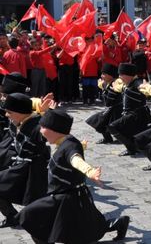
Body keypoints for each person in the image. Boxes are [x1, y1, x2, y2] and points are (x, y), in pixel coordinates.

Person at [18, 109, 130, 243]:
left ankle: (119, 223)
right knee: (84, 228)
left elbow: (76, 160)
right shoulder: (65, 141)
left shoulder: (69, 146)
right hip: (61, 195)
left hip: (70, 198)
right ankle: (119, 223)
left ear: (54, 130)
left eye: (43, 127)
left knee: (31, 216)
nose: (40, 131)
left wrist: (90, 172)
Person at [0, 93, 51, 228]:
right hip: (19, 164)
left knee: (39, 205)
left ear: (21, 112)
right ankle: (12, 216)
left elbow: (53, 132)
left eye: (9, 112)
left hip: (35, 170)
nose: (6, 115)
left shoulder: (38, 127)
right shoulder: (15, 121)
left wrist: (46, 112)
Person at [108, 63, 151, 156]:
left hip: (138, 116)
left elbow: (143, 87)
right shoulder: (126, 84)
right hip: (129, 115)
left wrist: (148, 87)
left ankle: (131, 148)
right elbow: (118, 87)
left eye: (121, 75)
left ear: (129, 75)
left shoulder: (137, 83)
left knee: (113, 127)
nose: (120, 77)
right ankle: (133, 147)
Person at [85, 63, 123, 144]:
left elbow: (122, 85)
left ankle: (125, 140)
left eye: (104, 74)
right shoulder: (106, 83)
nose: (102, 76)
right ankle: (107, 138)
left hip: (118, 110)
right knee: (96, 120)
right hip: (110, 109)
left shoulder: (117, 82)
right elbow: (103, 88)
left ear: (111, 75)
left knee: (110, 125)